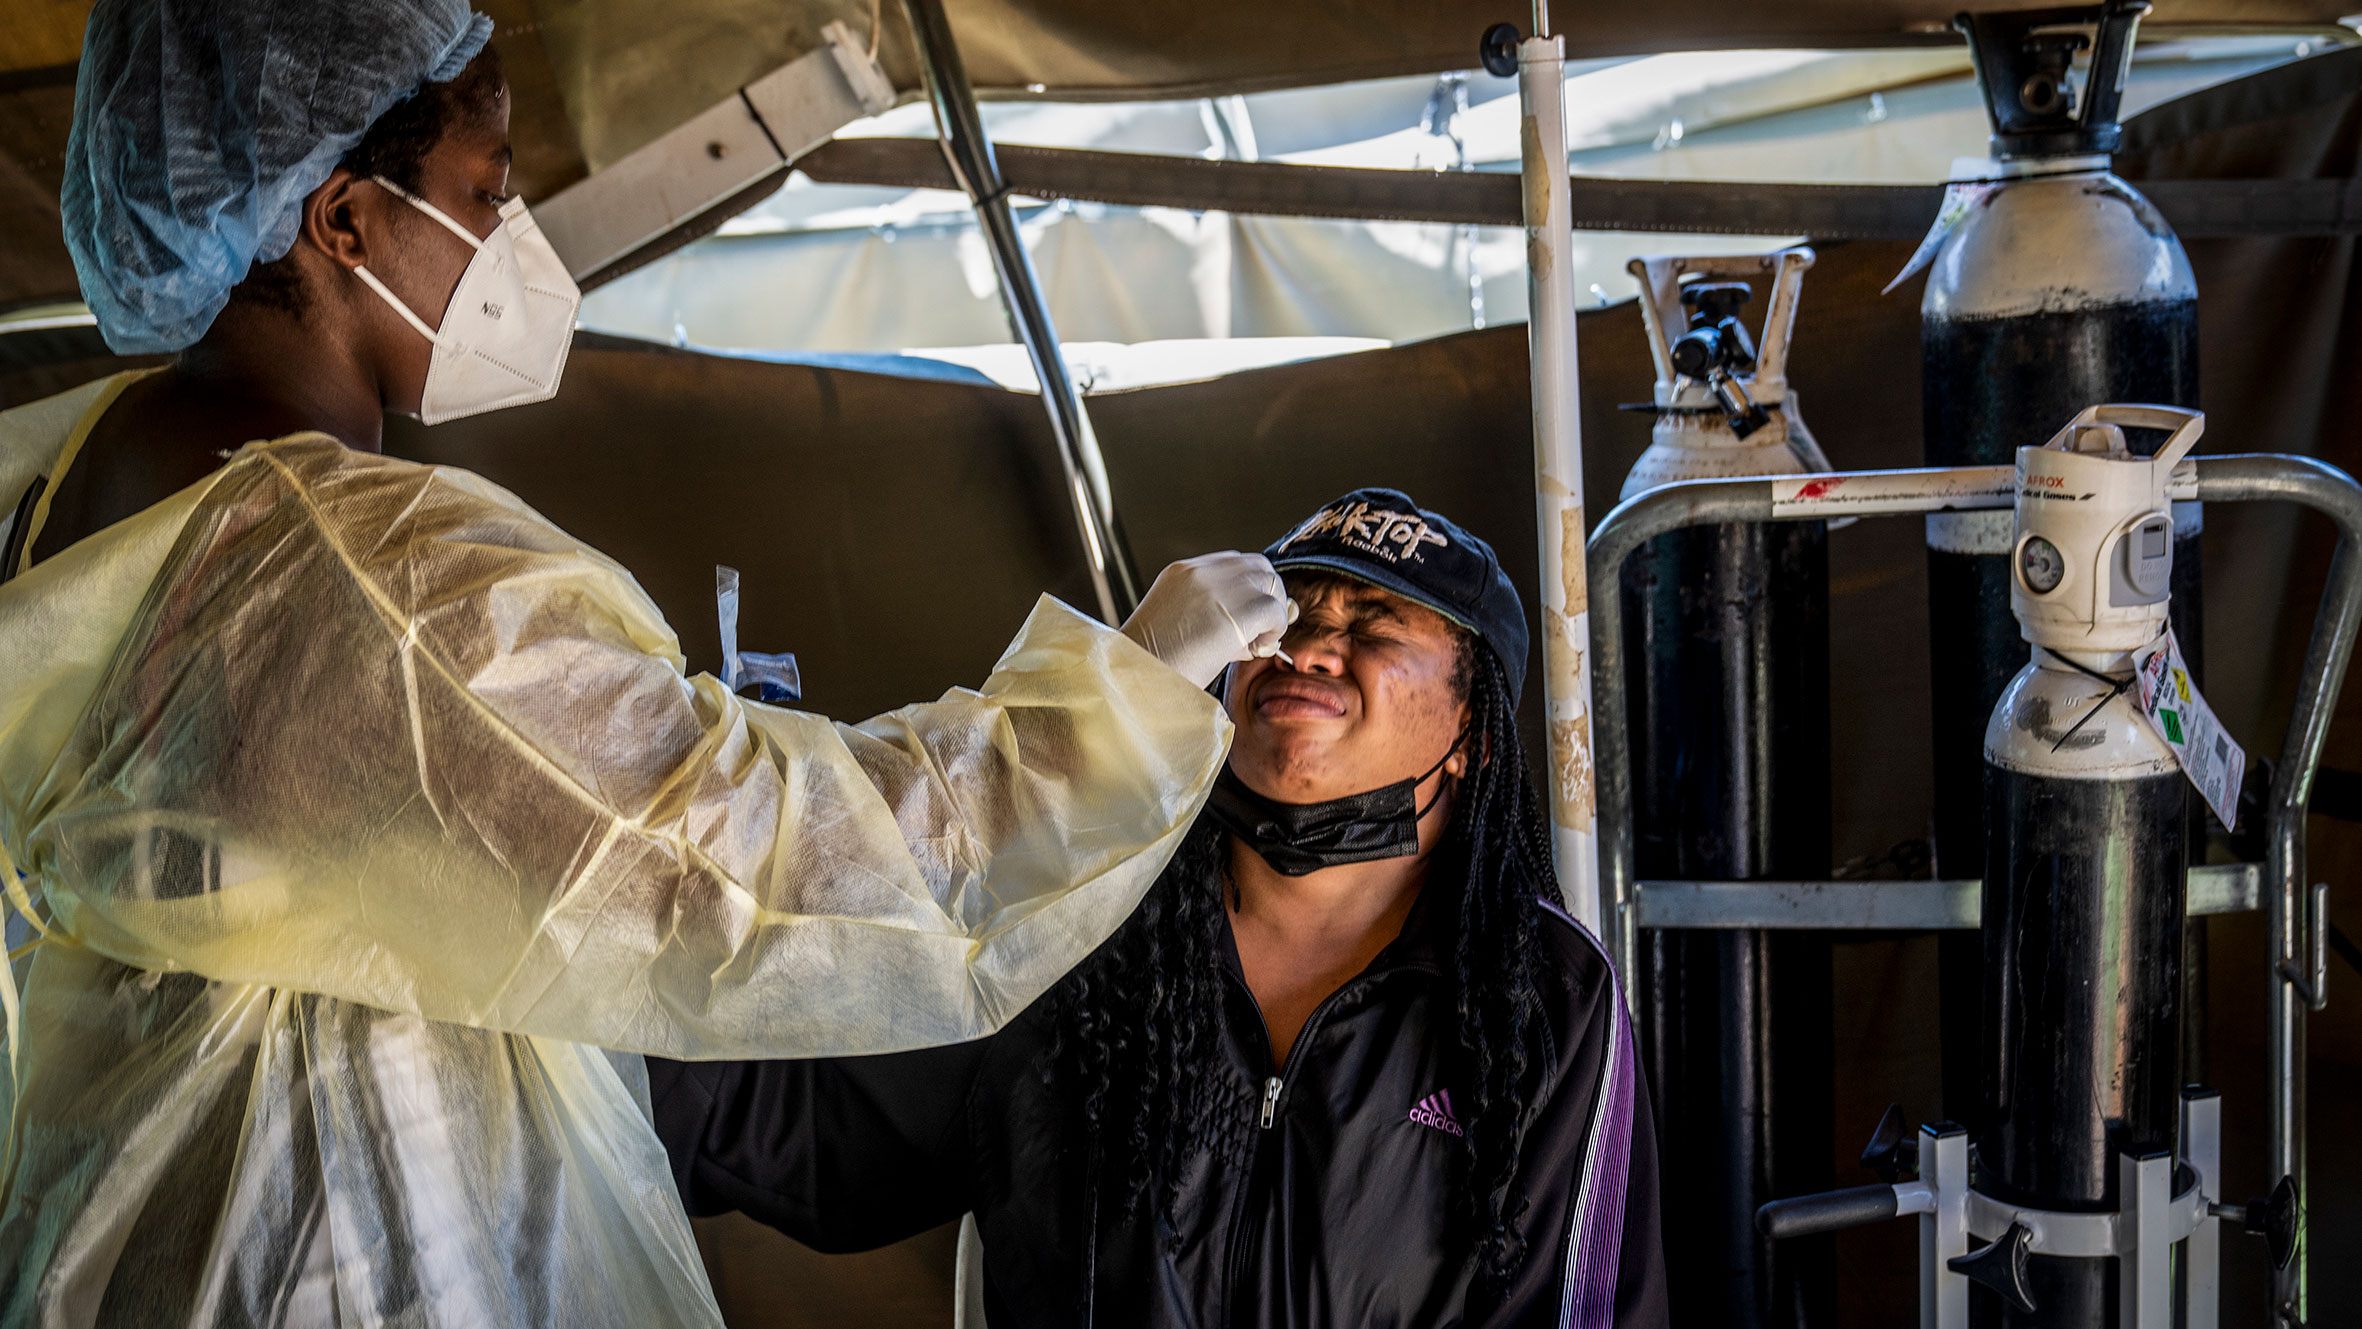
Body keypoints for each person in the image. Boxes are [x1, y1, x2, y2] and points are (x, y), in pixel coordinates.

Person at [0, 2, 1292, 1325]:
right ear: (343, 221)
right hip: (341, 1228)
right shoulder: (377, 574)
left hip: (110, 1202)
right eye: (484, 191)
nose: (512, 236)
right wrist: (1112, 711)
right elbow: (738, 869)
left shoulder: (64, 484)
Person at [655, 488, 1670, 1328]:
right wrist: (686, 872)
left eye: (1370, 624)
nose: (1311, 646)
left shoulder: (1539, 991)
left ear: (1473, 734)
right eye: (1289, 619)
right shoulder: (1079, 924)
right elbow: (796, 1127)